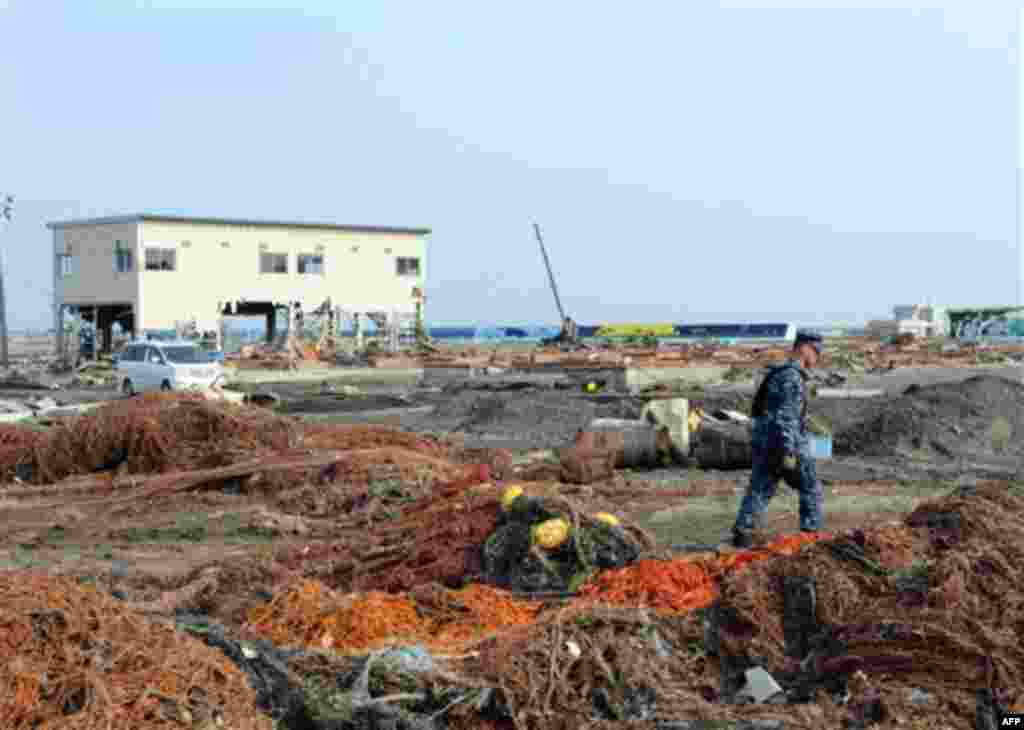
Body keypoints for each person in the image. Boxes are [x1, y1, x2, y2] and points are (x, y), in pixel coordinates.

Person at [731, 330, 825, 548]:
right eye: (816, 351)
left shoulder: (779, 373)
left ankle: (743, 532)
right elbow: (786, 417)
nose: (817, 358)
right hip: (782, 443)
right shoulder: (792, 377)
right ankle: (811, 536)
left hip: (766, 442)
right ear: (804, 348)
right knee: (811, 486)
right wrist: (789, 451)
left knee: (761, 487)